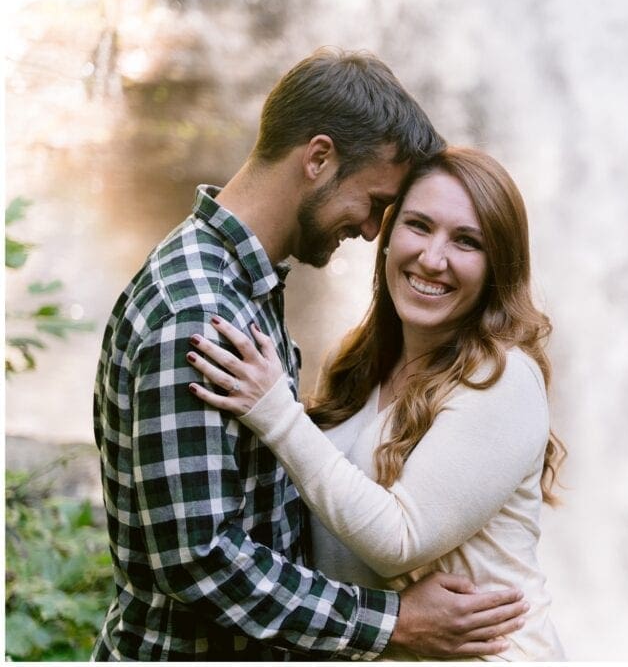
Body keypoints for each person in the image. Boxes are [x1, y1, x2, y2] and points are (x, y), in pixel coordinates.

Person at [92, 48, 528, 661]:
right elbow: (199, 560)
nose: (375, 232)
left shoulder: (244, 287)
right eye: (379, 203)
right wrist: (391, 623)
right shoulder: (196, 310)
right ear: (319, 158)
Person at [185, 147, 568, 660]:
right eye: (418, 225)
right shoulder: (359, 363)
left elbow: (399, 538)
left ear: (498, 265)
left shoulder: (502, 377)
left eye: (466, 241)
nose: (433, 259)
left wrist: (277, 412)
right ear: (387, 238)